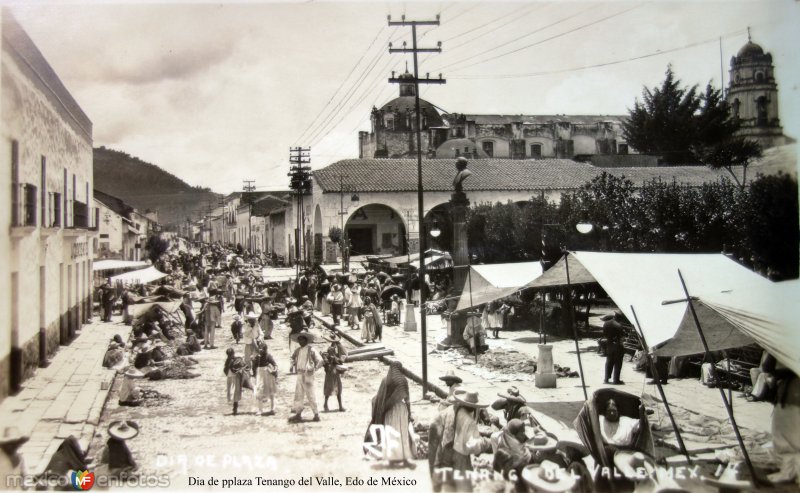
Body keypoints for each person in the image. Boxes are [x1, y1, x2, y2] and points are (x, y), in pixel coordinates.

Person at [428, 389, 493, 491]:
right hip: (460, 456)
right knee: (464, 487)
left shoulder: (450, 410)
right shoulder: (469, 421)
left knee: (448, 484)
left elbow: (435, 424)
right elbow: (473, 446)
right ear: (473, 408)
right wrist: (486, 444)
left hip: (446, 450)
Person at [364, 360, 415, 468]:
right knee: (401, 432)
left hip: (390, 411)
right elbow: (407, 400)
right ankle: (402, 456)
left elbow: (380, 397)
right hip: (401, 410)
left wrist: (380, 410)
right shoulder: (403, 380)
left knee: (390, 432)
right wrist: (409, 414)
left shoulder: (385, 380)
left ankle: (391, 456)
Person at [288, 333, 322, 423]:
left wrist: (315, 368)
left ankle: (316, 414)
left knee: (311, 394)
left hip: (308, 375)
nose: (300, 341)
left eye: (302, 339)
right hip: (299, 374)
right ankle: (298, 414)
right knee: (298, 394)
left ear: (306, 340)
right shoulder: (298, 350)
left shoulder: (311, 350)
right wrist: (292, 364)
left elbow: (320, 360)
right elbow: (292, 357)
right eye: (299, 340)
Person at [322, 334, 348, 412]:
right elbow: (325, 359)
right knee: (329, 387)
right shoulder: (330, 348)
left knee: (338, 387)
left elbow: (342, 359)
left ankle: (339, 406)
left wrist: (334, 358)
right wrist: (328, 358)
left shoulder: (339, 348)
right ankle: (326, 404)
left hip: (335, 369)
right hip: (330, 369)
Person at [223, 348, 252, 415]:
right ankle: (234, 408)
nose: (231, 356)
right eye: (230, 355)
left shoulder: (236, 360)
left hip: (235, 378)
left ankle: (235, 409)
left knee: (235, 394)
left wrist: (241, 370)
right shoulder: (229, 361)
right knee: (233, 394)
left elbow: (244, 367)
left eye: (231, 354)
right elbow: (226, 370)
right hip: (232, 379)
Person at [252, 342, 277, 416]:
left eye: (262, 349)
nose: (260, 350)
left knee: (271, 391)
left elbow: (274, 364)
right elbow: (254, 366)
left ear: (266, 350)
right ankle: (260, 410)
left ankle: (272, 409)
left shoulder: (268, 356)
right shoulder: (257, 357)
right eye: (259, 348)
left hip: (268, 374)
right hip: (260, 375)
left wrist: (274, 370)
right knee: (259, 390)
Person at [602, 313, 625, 385]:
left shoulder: (606, 323)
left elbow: (604, 334)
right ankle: (616, 380)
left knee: (609, 361)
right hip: (617, 344)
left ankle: (606, 378)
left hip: (609, 343)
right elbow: (621, 336)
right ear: (620, 318)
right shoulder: (619, 325)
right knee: (618, 362)